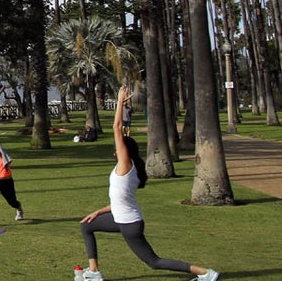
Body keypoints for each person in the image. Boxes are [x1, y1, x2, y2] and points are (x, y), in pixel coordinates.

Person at [78, 86, 219, 281]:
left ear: (123, 151)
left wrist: (119, 102)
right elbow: (119, 201)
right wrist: (98, 212)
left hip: (129, 224)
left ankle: (206, 273)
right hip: (123, 219)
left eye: (117, 148)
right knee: (86, 226)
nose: (114, 150)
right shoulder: (130, 170)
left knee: (154, 262)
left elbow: (117, 128)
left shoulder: (125, 166)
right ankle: (94, 272)